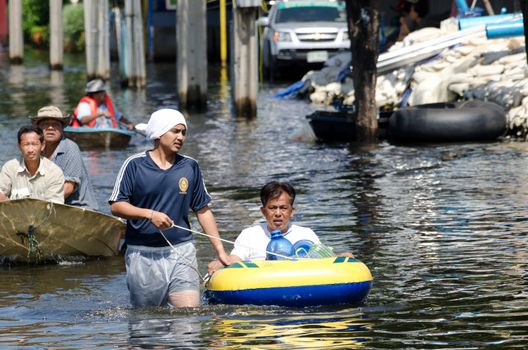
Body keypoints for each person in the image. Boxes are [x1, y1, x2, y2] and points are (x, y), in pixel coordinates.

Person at [109, 108, 236, 308]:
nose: (181, 137)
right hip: (142, 254)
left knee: (188, 317)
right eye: (175, 131)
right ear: (159, 133)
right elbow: (117, 206)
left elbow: (202, 210)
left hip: (181, 251)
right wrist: (149, 214)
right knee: (148, 326)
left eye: (183, 132)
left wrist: (220, 250)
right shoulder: (133, 165)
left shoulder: (190, 166)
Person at [207, 181, 354, 274]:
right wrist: (221, 262)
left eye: (283, 208)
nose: (278, 213)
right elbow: (235, 258)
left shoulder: (305, 235)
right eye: (272, 208)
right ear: (263, 211)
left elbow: (323, 258)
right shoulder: (250, 234)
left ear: (292, 212)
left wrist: (341, 257)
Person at [30, 105, 99, 210]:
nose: (50, 128)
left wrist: (37, 205)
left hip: (77, 208)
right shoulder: (33, 150)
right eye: (45, 124)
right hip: (48, 206)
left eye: (55, 125)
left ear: (62, 128)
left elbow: (68, 188)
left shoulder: (70, 148)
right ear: (38, 129)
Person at [0, 124, 64, 203]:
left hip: (44, 215)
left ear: (42, 145)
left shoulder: (54, 172)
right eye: (26, 144)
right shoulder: (9, 168)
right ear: (19, 146)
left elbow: (55, 207)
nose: (30, 150)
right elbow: (1, 194)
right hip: (14, 214)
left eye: (34, 144)